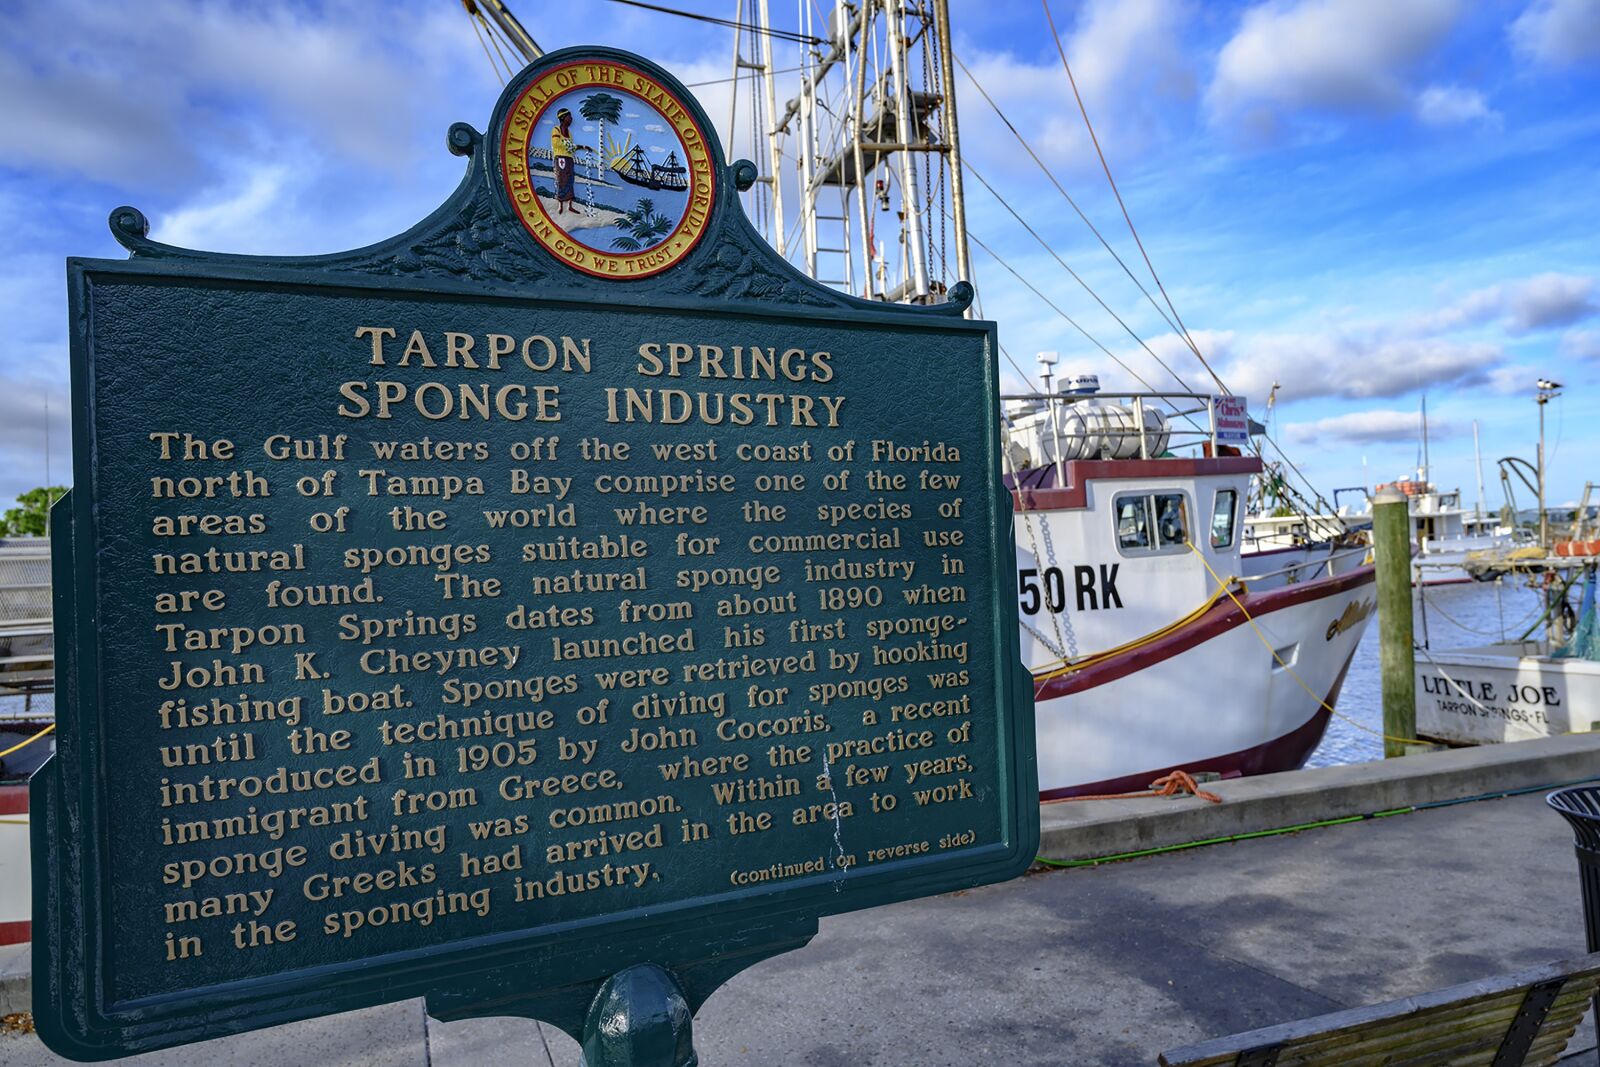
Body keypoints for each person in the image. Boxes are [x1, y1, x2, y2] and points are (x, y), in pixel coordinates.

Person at [551, 108, 576, 213]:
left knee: (570, 179)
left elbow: (571, 146)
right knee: (562, 180)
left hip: (569, 159)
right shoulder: (556, 129)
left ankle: (570, 205)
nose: (571, 119)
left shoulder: (569, 132)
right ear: (563, 118)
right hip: (561, 158)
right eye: (569, 117)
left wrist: (574, 147)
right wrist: (568, 145)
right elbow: (556, 143)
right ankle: (560, 205)